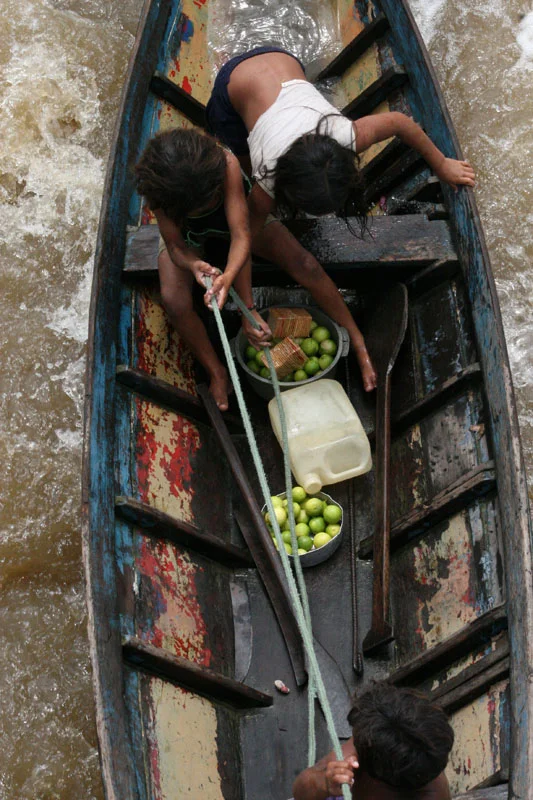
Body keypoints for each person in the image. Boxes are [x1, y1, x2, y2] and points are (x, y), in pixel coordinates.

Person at [206, 46, 476, 391]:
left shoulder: (346, 136)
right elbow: (244, 236)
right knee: (244, 168)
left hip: (285, 62)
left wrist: (442, 164)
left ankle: (357, 339)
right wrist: (248, 307)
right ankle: (230, 70)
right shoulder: (266, 179)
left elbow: (400, 122)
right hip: (233, 90)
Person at [135, 128, 252, 410]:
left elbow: (241, 235)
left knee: (301, 262)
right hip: (189, 239)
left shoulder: (226, 165)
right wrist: (192, 264)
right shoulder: (159, 191)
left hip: (232, 226)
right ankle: (217, 371)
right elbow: (175, 246)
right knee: (174, 301)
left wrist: (229, 276)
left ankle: (249, 315)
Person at [292, 683, 454, 800]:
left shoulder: (433, 794)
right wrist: (324, 783)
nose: (353, 742)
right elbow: (300, 791)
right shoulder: (374, 742)